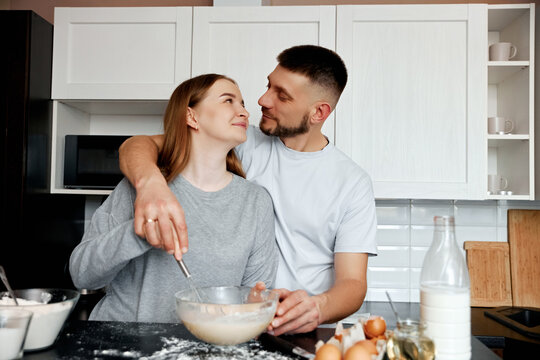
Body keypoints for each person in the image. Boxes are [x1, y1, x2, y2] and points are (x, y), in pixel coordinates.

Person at [119, 45, 377, 334]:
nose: (263, 100)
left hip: (300, 330)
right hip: (230, 322)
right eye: (269, 85)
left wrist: (317, 307)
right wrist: (151, 185)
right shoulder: (239, 141)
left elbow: (353, 284)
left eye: (282, 95)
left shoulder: (352, 183)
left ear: (318, 112)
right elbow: (138, 145)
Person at [69, 74, 278, 323]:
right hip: (123, 342)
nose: (244, 111)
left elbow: (256, 294)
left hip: (206, 348)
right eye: (228, 101)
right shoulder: (142, 187)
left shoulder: (256, 202)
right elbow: (82, 274)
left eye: (242, 103)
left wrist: (257, 304)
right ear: (192, 116)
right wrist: (137, 233)